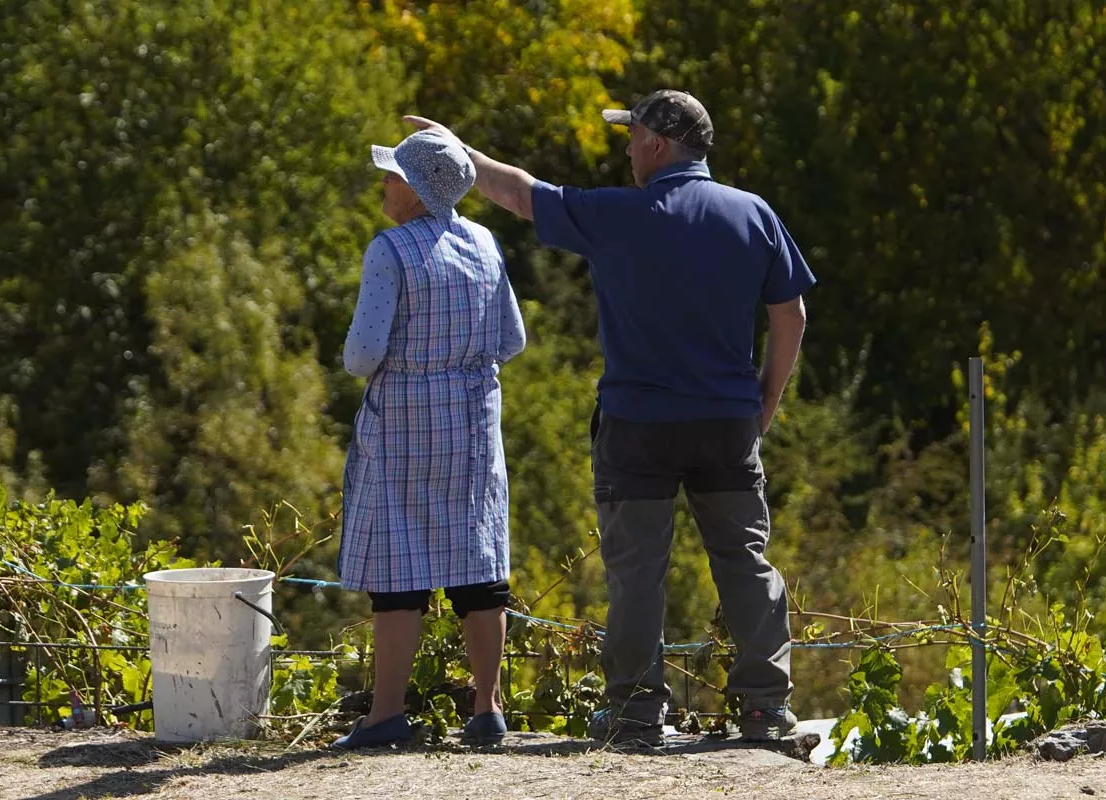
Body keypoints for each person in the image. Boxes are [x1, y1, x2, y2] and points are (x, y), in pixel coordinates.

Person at [405, 89, 815, 745]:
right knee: (744, 562)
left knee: (636, 572)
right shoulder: (752, 213)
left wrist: (453, 151)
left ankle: (634, 710)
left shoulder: (616, 214)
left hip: (637, 426)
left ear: (657, 144)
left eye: (631, 138)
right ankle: (764, 707)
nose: (625, 150)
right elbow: (789, 314)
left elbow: (517, 193)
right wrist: (763, 403)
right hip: (726, 422)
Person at [333, 129, 527, 749]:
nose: (384, 184)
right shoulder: (483, 241)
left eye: (392, 175)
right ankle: (486, 708)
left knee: (398, 568)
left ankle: (386, 714)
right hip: (471, 418)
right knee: (478, 561)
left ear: (415, 191)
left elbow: (363, 355)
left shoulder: (389, 251)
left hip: (405, 421)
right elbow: (513, 339)